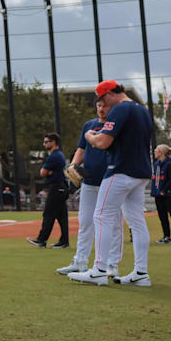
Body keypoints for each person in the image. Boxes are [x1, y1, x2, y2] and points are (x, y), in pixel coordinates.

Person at [69, 80, 154, 287]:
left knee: (101, 216)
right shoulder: (142, 111)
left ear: (109, 94)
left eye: (102, 98)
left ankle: (99, 270)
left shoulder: (120, 109)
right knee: (136, 222)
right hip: (141, 172)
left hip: (120, 170)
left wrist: (90, 136)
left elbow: (102, 142)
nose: (102, 104)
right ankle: (141, 273)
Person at [56, 99, 120, 276]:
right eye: (99, 105)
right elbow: (81, 149)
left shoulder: (116, 125)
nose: (101, 109)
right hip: (89, 181)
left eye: (105, 105)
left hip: (111, 181)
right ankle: (80, 261)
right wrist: (74, 165)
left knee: (113, 224)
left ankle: (112, 265)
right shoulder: (89, 125)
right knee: (85, 222)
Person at [27, 133, 68, 248]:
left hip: (56, 187)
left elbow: (43, 172)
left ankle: (41, 240)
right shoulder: (59, 155)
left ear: (53, 142)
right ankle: (64, 241)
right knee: (61, 216)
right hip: (61, 187)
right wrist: (49, 172)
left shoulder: (54, 156)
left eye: (46, 142)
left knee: (49, 213)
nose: (44, 144)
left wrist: (48, 172)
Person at [152, 144, 171, 244]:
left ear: (161, 153)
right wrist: (156, 191)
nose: (155, 152)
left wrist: (163, 190)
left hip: (169, 195)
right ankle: (167, 236)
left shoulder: (169, 164)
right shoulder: (156, 164)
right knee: (162, 216)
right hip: (158, 195)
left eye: (156, 151)